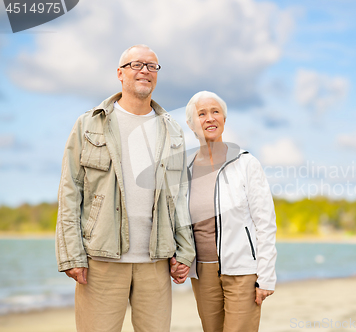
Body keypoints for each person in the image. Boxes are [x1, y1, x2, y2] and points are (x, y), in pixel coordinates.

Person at [55, 44, 195, 332]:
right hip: (101, 261)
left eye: (152, 66)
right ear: (120, 73)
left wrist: (185, 250)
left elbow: (179, 195)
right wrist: (71, 255)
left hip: (156, 262)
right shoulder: (88, 124)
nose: (145, 70)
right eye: (136, 65)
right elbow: (70, 192)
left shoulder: (173, 130)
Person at [179, 91, 277, 332]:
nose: (210, 118)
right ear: (191, 124)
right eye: (201, 114)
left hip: (242, 270)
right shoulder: (184, 169)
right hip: (202, 271)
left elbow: (265, 222)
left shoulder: (246, 163)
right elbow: (178, 221)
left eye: (215, 112)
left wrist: (266, 275)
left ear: (224, 119)